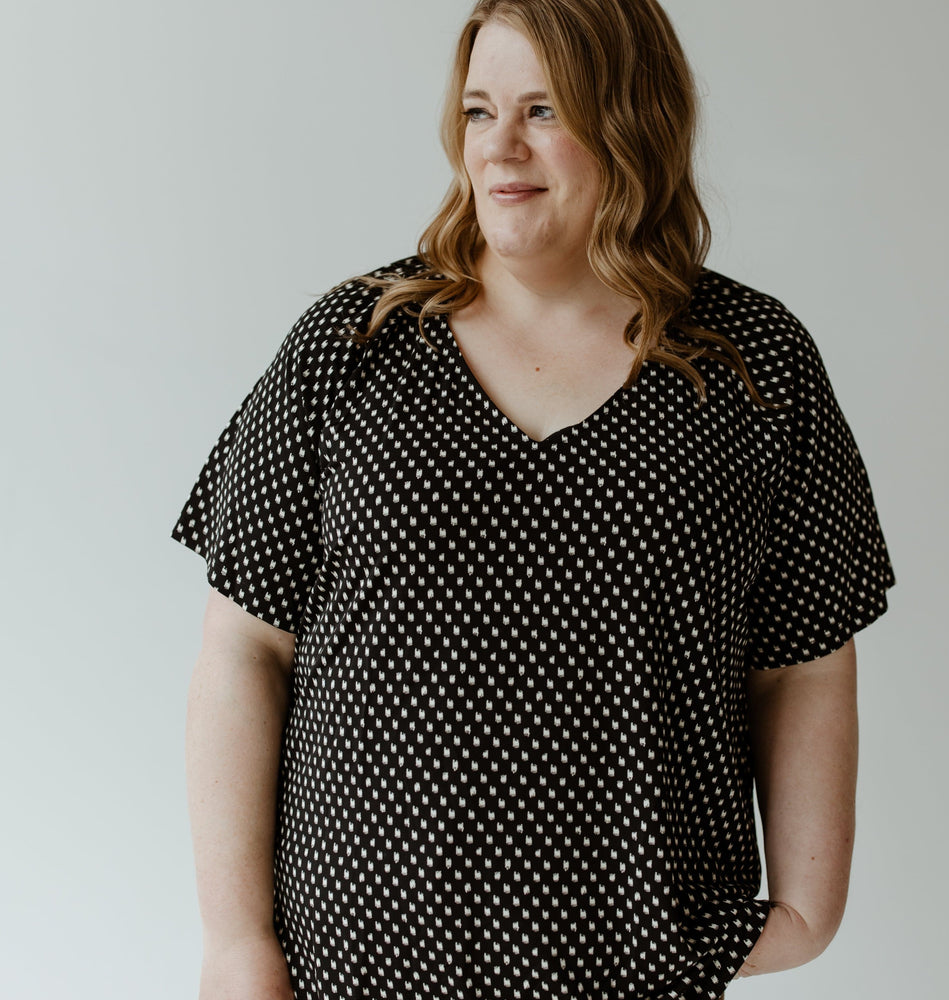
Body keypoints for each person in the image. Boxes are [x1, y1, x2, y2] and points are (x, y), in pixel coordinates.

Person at [171, 1, 896, 998]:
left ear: (632, 119)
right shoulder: (353, 345)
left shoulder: (753, 367)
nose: (499, 148)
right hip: (351, 966)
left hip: (635, 972)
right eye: (477, 111)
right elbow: (244, 645)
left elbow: (804, 658)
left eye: (544, 110)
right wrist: (236, 943)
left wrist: (808, 907)